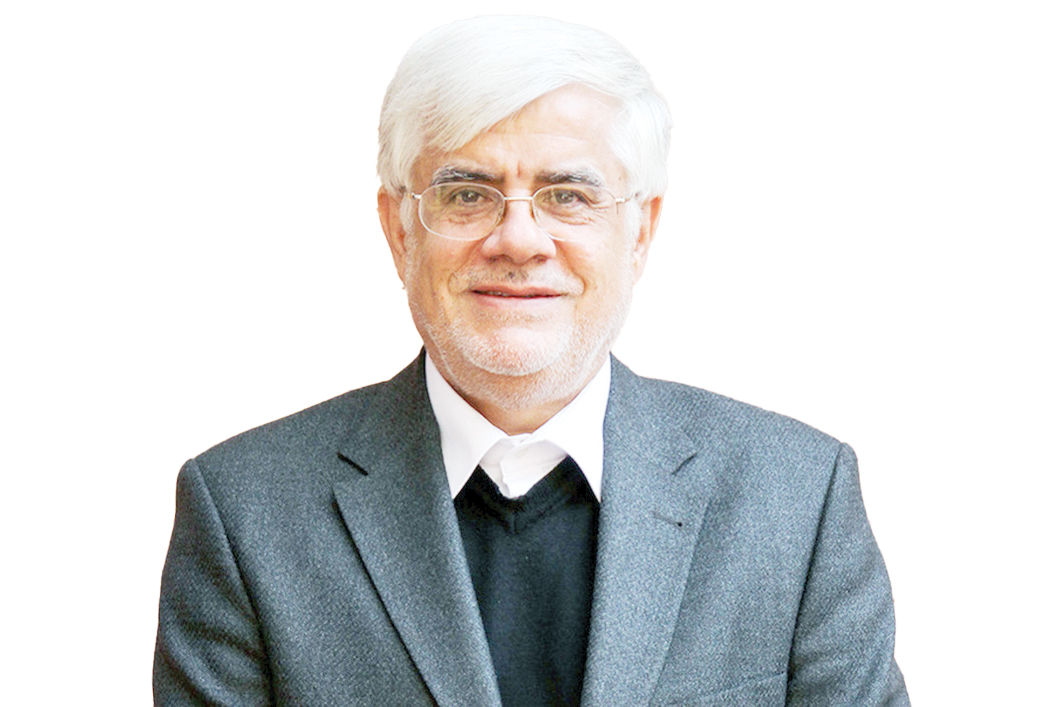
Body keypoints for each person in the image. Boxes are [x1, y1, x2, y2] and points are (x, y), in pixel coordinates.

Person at [154, 15, 909, 705]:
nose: (518, 239)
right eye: (466, 194)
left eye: (568, 195)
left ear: (641, 231)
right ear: (398, 229)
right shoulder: (245, 515)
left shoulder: (798, 501)